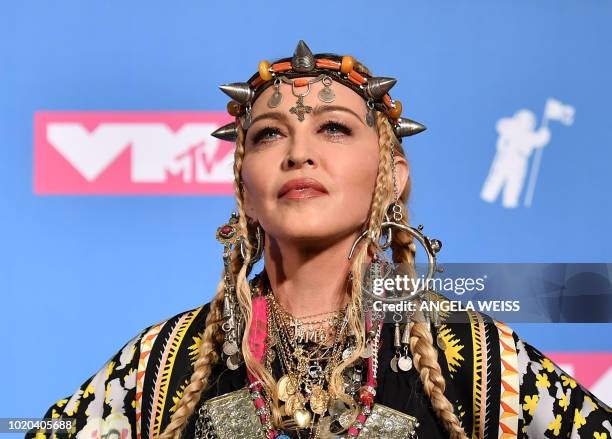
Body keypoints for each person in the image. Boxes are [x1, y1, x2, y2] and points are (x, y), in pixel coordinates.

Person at [27, 40, 612, 439]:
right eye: (268, 135)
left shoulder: (473, 355)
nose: (298, 152)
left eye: (333, 128)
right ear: (244, 184)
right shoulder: (166, 362)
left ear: (392, 175)